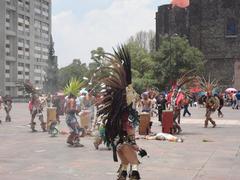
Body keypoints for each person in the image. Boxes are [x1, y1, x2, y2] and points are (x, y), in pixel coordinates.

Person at [95, 46, 144, 180]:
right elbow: (129, 129)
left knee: (125, 164)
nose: (135, 95)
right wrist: (135, 144)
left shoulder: (117, 114)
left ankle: (121, 176)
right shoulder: (128, 115)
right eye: (132, 93)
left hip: (118, 144)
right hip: (126, 143)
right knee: (134, 164)